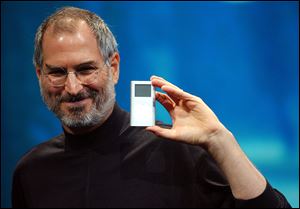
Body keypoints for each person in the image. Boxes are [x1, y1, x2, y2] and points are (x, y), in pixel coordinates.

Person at [12, 6, 291, 208]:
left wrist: (220, 139)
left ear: (114, 67)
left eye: (86, 69)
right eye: (58, 72)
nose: (72, 88)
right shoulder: (30, 172)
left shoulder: (178, 152)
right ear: (39, 75)